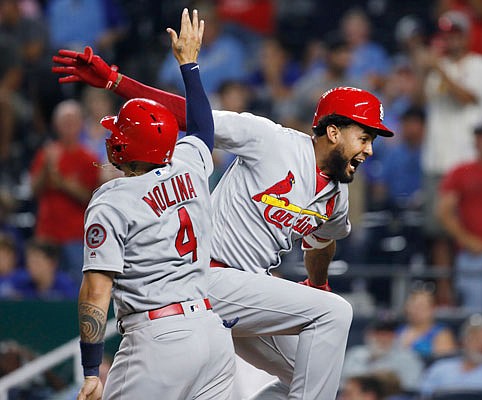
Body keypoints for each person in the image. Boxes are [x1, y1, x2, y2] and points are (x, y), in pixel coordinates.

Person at [52, 31, 396, 400]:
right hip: (205, 278)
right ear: (333, 131)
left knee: (310, 371)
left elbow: (322, 240)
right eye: (364, 137)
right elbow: (192, 117)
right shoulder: (271, 140)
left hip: (245, 294)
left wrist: (318, 285)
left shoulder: (337, 196)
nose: (369, 150)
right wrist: (115, 81)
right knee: (335, 314)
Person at [74, 9, 235, 400]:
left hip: (158, 339)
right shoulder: (190, 165)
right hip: (212, 336)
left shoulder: (111, 200)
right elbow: (202, 127)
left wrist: (92, 369)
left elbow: (96, 291)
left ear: (122, 146)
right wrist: (190, 65)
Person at [421, 10, 482, 306]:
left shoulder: (476, 65)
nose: (451, 39)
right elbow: (420, 103)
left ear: (466, 35)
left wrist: (439, 69)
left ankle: (467, 290)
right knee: (438, 231)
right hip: (437, 158)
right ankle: (445, 293)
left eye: (456, 33)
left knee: (469, 226)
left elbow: (467, 98)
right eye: (447, 34)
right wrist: (426, 67)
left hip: (468, 158)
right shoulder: (436, 68)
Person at [29, 99, 100, 286]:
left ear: (80, 125)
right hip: (47, 232)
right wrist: (46, 169)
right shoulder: (46, 154)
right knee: (43, 288)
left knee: (77, 287)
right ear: (56, 125)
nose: (68, 127)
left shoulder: (89, 158)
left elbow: (91, 197)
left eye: (72, 122)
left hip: (75, 236)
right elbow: (34, 190)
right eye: (64, 122)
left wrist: (61, 181)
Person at [437, 124, 482, 311]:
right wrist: (467, 240)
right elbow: (444, 211)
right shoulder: (461, 172)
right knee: (474, 314)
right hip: (471, 255)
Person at [342, 316, 424, 392]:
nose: (383, 338)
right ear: (369, 334)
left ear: (395, 336)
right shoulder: (354, 354)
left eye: (388, 334)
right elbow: (341, 384)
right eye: (379, 333)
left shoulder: (408, 358)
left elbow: (411, 390)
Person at [418, 313, 482, 398]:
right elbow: (422, 395)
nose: (479, 344)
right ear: (463, 342)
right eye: (474, 338)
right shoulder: (439, 368)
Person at [395, 287, 458, 364]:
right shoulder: (399, 331)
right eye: (413, 306)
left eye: (421, 307)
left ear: (432, 309)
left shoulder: (441, 334)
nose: (416, 311)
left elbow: (444, 364)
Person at [12, 238, 77, 300]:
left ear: (52, 263)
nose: (31, 267)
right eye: (29, 262)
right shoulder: (21, 286)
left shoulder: (66, 287)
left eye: (37, 262)